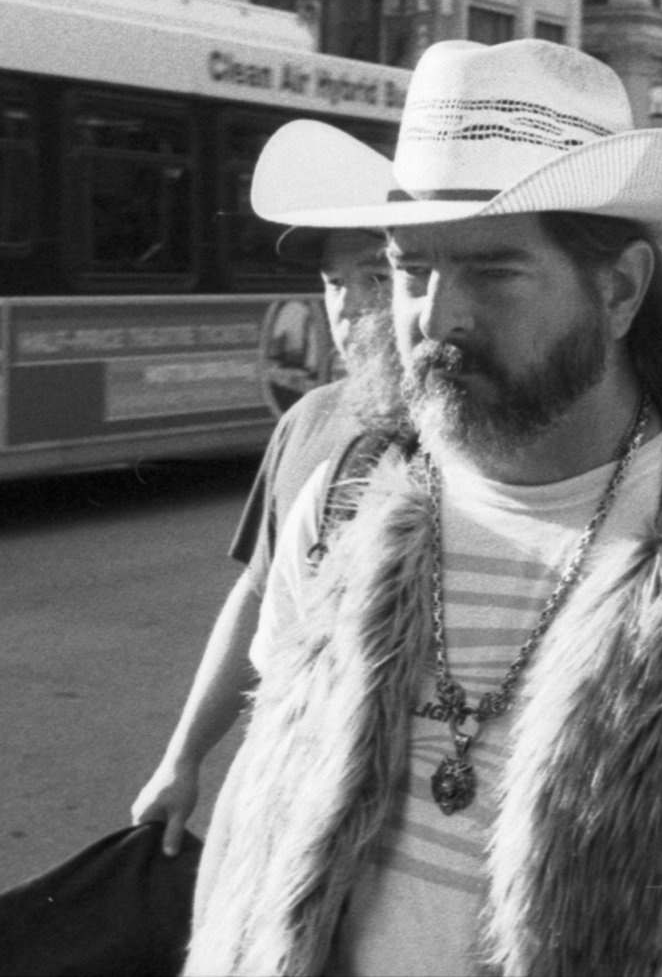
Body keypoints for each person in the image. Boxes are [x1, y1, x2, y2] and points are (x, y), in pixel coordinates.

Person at [188, 39, 662, 976]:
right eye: (410, 269)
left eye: (492, 271)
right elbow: (258, 824)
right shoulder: (346, 501)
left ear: (618, 289)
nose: (435, 319)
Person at [129, 225, 400, 857]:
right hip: (282, 776)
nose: (350, 306)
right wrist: (182, 760)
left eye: (376, 279)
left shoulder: (463, 440)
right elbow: (256, 595)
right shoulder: (308, 421)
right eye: (334, 284)